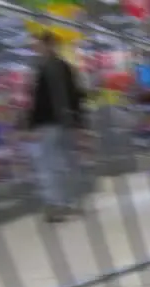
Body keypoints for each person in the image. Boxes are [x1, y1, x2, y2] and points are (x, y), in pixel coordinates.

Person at [24, 31, 87, 223]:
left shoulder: (42, 69)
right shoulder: (66, 68)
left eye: (39, 45)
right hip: (66, 123)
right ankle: (72, 203)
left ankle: (57, 205)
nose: (38, 48)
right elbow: (77, 96)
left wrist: (31, 125)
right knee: (68, 164)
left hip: (49, 124)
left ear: (46, 45)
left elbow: (38, 101)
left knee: (49, 166)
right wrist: (79, 123)